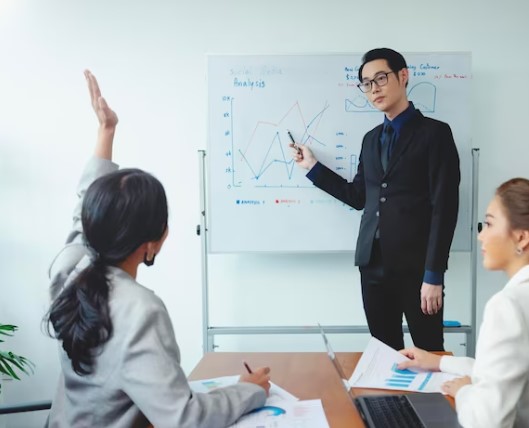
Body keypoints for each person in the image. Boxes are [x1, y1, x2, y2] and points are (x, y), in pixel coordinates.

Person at [44, 70, 271, 428]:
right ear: (156, 239)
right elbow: (184, 419)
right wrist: (250, 390)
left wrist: (106, 130)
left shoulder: (70, 267)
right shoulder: (139, 310)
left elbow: (83, 208)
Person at [398, 178, 529, 427]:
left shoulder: (509, 305)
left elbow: (485, 422)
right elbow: (506, 371)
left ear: (522, 237)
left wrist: (465, 392)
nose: (481, 236)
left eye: (489, 224)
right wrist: (439, 362)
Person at [293, 48, 460, 351]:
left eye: (380, 78)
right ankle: (388, 402)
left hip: (417, 267)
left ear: (403, 76)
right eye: (367, 84)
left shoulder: (434, 134)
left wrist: (434, 275)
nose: (374, 89)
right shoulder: (371, 139)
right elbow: (359, 197)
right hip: (372, 264)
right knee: (383, 354)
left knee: (429, 351)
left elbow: (445, 208)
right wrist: (313, 167)